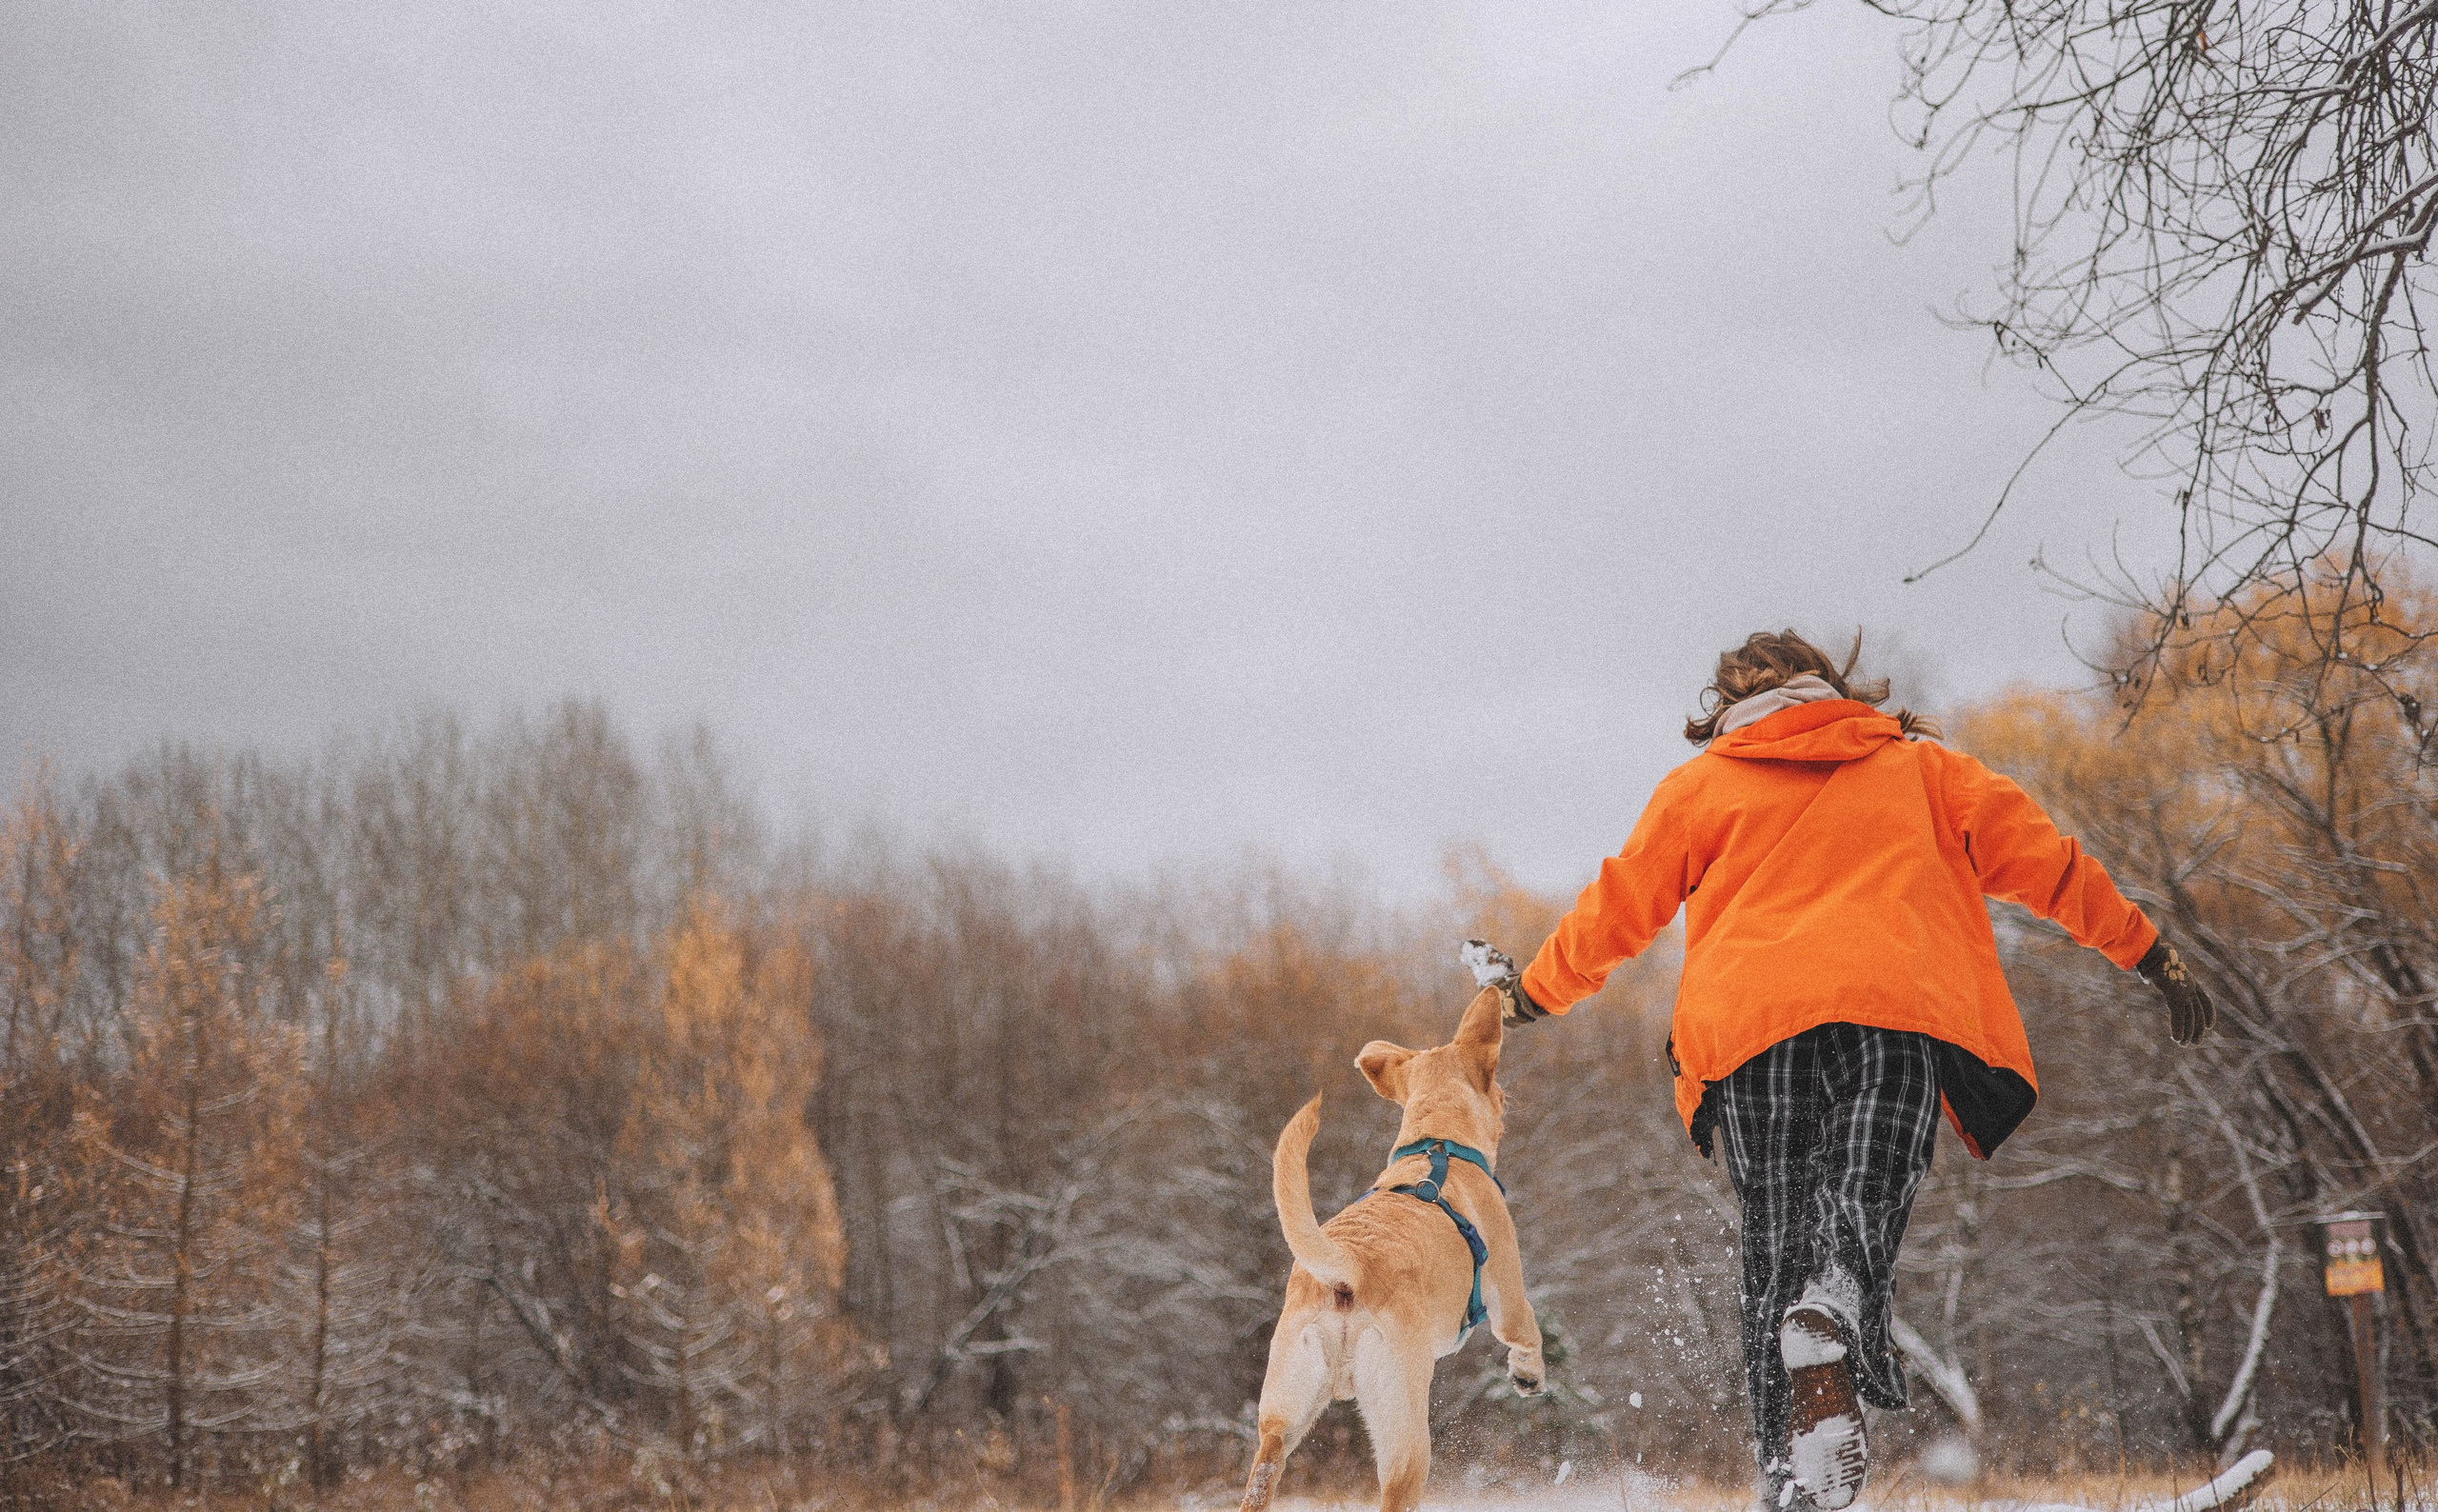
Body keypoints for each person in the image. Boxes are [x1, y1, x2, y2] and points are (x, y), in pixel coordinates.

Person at [1484, 631, 2214, 1512]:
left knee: (1772, 1250)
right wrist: (2149, 952)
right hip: (1892, 1008)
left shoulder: (1701, 787)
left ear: (1726, 705)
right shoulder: (1922, 769)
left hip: (1751, 1037)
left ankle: (1785, 1482)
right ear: (1831, 686)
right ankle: (1832, 1303)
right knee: (1867, 1184)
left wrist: (1530, 993)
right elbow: (2047, 860)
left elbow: (1617, 908)